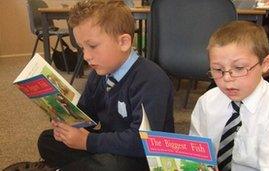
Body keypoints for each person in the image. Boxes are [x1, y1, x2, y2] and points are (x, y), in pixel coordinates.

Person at [6, 0, 174, 170]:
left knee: (110, 166)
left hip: (145, 156)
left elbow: (142, 141)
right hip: (111, 144)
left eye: (92, 46)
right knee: (48, 140)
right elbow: (88, 115)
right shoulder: (99, 74)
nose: (86, 56)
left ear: (123, 42)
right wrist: (65, 118)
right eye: (81, 47)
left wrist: (87, 141)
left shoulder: (151, 80)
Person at [189, 21, 269, 171]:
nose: (227, 78)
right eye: (218, 69)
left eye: (239, 68)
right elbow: (195, 154)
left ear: (265, 64)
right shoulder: (207, 102)